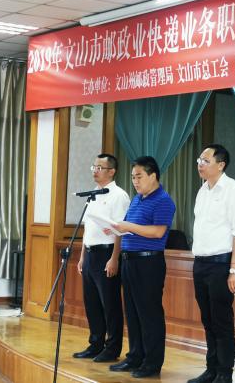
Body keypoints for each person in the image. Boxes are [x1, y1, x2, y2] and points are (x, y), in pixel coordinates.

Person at [187, 144, 235, 383]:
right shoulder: (203, 190)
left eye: (205, 161)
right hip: (201, 264)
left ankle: (225, 373)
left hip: (221, 265)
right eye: (199, 160)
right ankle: (211, 369)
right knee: (208, 320)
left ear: (221, 164)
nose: (200, 164)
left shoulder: (234, 191)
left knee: (221, 321)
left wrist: (234, 269)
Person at [108, 156, 176, 379]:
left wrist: (127, 225)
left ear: (153, 176)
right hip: (130, 261)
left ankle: (152, 363)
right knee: (133, 313)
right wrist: (115, 228)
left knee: (149, 314)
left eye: (139, 177)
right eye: (132, 177)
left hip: (149, 263)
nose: (135, 181)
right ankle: (135, 356)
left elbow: (157, 232)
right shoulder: (137, 200)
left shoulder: (163, 200)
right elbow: (129, 228)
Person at [73, 153, 130, 363]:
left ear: (111, 171)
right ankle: (95, 344)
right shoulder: (93, 195)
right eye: (94, 167)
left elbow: (120, 231)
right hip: (90, 254)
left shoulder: (119, 196)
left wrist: (114, 258)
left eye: (100, 168)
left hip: (107, 253)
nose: (95, 171)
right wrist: (82, 257)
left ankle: (112, 348)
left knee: (110, 303)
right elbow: (87, 229)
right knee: (92, 303)